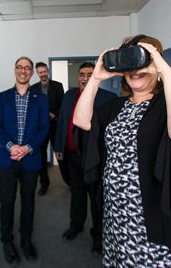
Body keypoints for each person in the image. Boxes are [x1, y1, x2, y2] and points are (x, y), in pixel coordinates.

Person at [73, 35, 171, 267]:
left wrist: (162, 68)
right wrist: (96, 78)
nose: (135, 70)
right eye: (129, 64)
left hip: (151, 214)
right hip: (116, 212)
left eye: (142, 61)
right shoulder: (117, 107)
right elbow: (81, 121)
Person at [54, 62, 116, 255]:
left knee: (97, 199)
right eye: (82, 74)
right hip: (72, 156)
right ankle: (76, 225)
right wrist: (58, 145)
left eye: (90, 74)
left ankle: (98, 236)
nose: (85, 78)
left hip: (94, 159)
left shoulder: (109, 98)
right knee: (77, 194)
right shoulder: (69, 96)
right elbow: (63, 121)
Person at [0, 56, 49, 264]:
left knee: (28, 202)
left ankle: (26, 240)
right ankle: (7, 241)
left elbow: (44, 128)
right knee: (6, 203)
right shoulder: (3, 97)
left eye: (27, 68)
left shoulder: (40, 98)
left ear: (32, 72)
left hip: (30, 160)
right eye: (19, 67)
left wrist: (27, 148)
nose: (23, 71)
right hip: (6, 159)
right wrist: (11, 146)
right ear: (15, 70)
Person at [31, 62, 65, 194]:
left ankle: (69, 181)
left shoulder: (58, 85)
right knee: (41, 156)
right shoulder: (33, 88)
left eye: (44, 71)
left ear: (48, 71)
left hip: (55, 126)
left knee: (60, 155)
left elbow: (62, 104)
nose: (43, 74)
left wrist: (54, 114)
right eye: (40, 72)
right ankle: (44, 184)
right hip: (41, 128)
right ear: (37, 73)